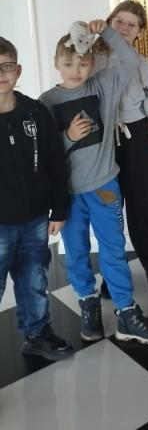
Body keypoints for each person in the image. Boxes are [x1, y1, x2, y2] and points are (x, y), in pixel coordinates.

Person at [39, 20, 148, 345]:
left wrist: (106, 32)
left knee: (113, 250)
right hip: (69, 193)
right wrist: (68, 137)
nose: (76, 70)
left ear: (92, 62)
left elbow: (130, 61)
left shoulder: (103, 86)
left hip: (105, 186)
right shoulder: (46, 102)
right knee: (77, 253)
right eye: (68, 64)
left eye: (82, 63)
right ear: (56, 63)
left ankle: (126, 312)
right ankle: (88, 305)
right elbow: (44, 154)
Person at [94, 0, 148, 314]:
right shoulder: (93, 57)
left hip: (136, 136)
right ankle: (112, 277)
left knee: (143, 211)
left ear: (140, 32)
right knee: (109, 211)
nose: (124, 28)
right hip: (102, 139)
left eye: (131, 24)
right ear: (109, 22)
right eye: (119, 21)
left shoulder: (142, 64)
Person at [0, 37, 73, 362]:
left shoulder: (36, 112)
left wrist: (59, 208)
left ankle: (37, 334)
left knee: (34, 280)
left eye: (6, 66)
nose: (1, 74)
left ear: (17, 71)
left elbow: (56, 163)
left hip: (34, 219)